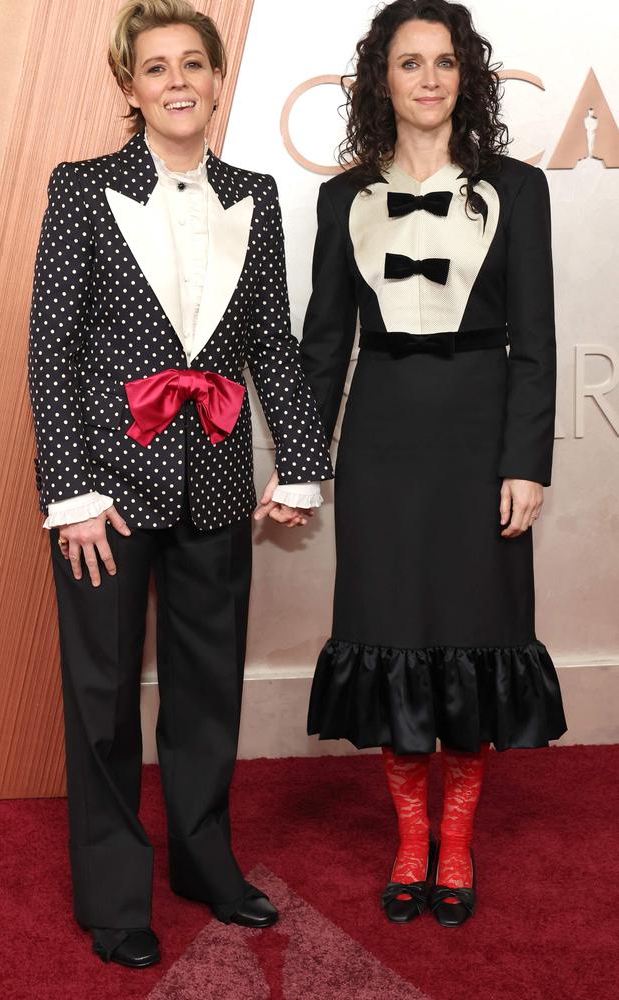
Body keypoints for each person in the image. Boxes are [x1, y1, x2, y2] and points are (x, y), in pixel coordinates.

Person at [28, 0, 332, 968]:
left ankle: (204, 856)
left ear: (214, 79)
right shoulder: (80, 188)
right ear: (129, 87)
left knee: (206, 690)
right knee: (103, 693)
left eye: (191, 64)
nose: (175, 82)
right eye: (154, 68)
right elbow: (53, 351)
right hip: (105, 495)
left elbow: (272, 350)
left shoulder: (254, 193)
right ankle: (115, 890)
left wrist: (305, 464)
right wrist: (69, 490)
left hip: (212, 480)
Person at [301, 0, 566, 928]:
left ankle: (456, 843)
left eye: (444, 62)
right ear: (383, 78)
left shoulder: (520, 189)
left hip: (478, 437)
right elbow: (323, 349)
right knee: (393, 633)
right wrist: (302, 464)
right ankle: (409, 840)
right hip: (379, 442)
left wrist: (526, 462)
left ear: (466, 77)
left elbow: (537, 342)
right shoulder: (343, 198)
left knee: (474, 632)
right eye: (409, 63)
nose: (427, 79)